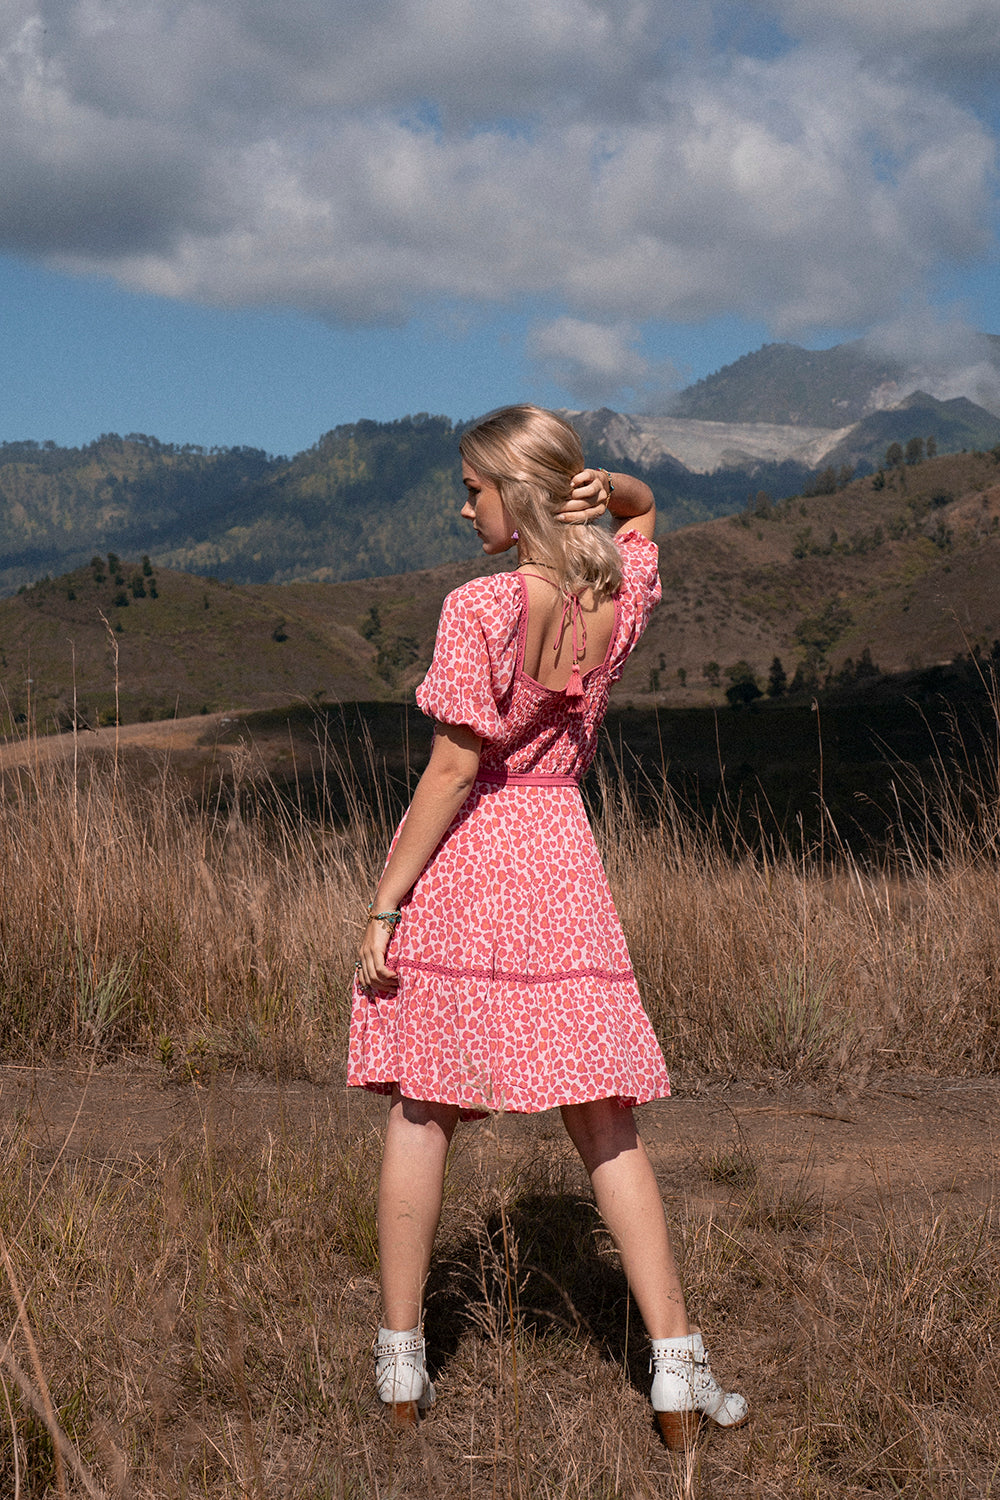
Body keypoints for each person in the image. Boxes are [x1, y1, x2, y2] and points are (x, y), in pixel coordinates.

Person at [348, 405, 747, 1449]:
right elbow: (645, 511)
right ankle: (674, 1374)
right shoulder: (617, 594)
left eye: (474, 487)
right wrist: (609, 490)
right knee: (604, 1122)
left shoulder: (478, 607)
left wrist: (386, 901)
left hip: (473, 860)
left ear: (515, 495)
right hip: (561, 860)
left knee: (422, 1108)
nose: (461, 502)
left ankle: (400, 1365)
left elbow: (450, 770)